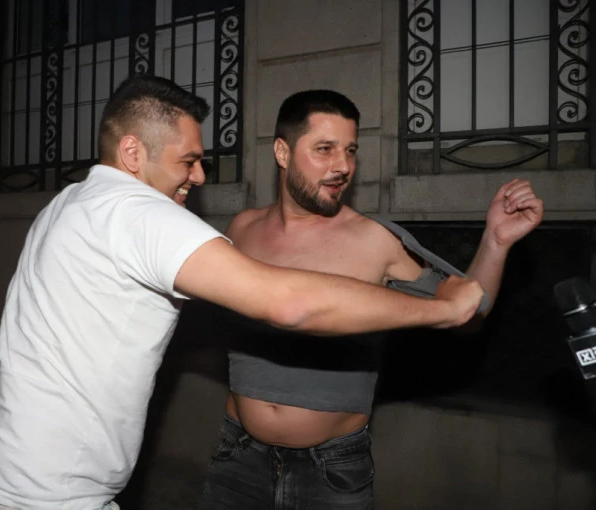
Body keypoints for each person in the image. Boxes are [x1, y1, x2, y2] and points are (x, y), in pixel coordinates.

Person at [0, 76, 485, 510]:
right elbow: (289, 303)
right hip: (43, 495)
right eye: (188, 161)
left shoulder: (71, 200)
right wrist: (440, 310)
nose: (201, 176)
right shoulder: (142, 216)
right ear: (133, 152)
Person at [201, 90, 544, 509]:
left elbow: (469, 311)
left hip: (329, 472)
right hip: (237, 456)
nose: (343, 166)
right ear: (282, 152)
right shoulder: (243, 227)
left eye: (350, 150)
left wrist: (495, 242)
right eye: (325, 149)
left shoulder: (375, 240)